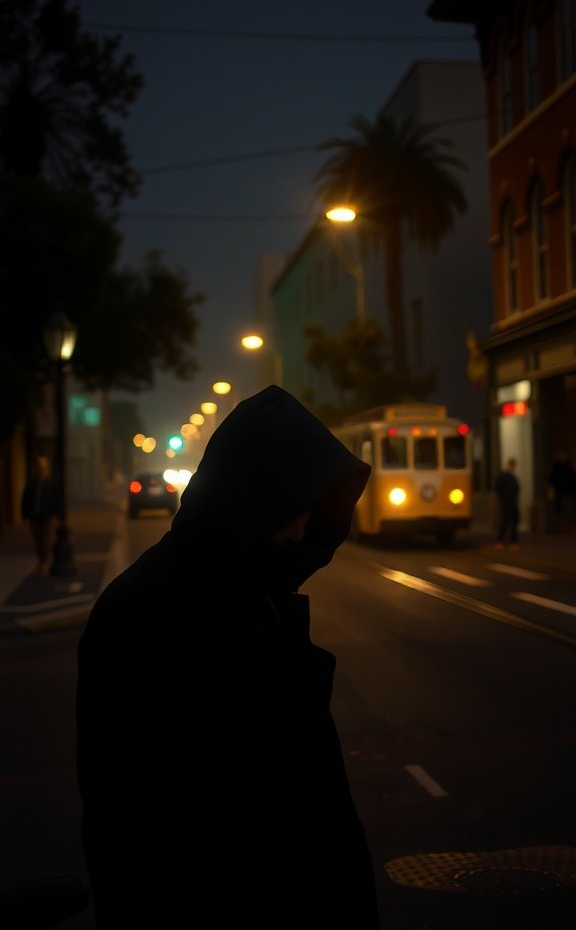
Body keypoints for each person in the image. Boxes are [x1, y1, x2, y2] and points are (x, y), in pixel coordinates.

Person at [76, 385, 380, 929]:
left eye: (314, 512)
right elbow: (135, 831)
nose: (300, 531)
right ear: (249, 494)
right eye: (289, 506)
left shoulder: (253, 588)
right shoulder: (146, 614)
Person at [20, 455, 61, 573]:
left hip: (47, 516)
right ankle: (41, 561)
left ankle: (45, 562)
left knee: (46, 539)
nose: (40, 469)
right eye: (39, 467)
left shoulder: (51, 482)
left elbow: (56, 499)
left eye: (42, 467)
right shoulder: (32, 482)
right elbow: (25, 498)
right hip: (35, 516)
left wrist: (57, 514)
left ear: (46, 468)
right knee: (37, 540)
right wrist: (25, 515)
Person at [494, 457, 520, 549]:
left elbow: (516, 489)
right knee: (505, 522)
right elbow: (499, 490)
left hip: (512, 503)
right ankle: (500, 541)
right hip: (506, 503)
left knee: (513, 522)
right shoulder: (503, 476)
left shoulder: (512, 477)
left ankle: (512, 541)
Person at [547, 449, 576, 532]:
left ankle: (568, 526)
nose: (563, 457)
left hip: (568, 492)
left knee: (568, 509)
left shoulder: (568, 466)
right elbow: (551, 479)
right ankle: (560, 526)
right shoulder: (556, 467)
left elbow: (573, 478)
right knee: (560, 509)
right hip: (559, 492)